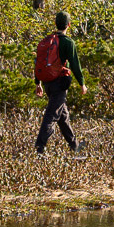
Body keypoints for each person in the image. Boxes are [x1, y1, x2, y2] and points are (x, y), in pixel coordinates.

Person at [33, 11, 86, 155]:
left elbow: (38, 62)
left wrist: (37, 83)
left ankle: (75, 145)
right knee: (51, 115)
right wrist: (82, 83)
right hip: (60, 84)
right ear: (69, 24)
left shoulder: (47, 41)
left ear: (56, 24)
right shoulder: (68, 42)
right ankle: (40, 148)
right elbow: (75, 64)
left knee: (63, 116)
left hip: (47, 83)